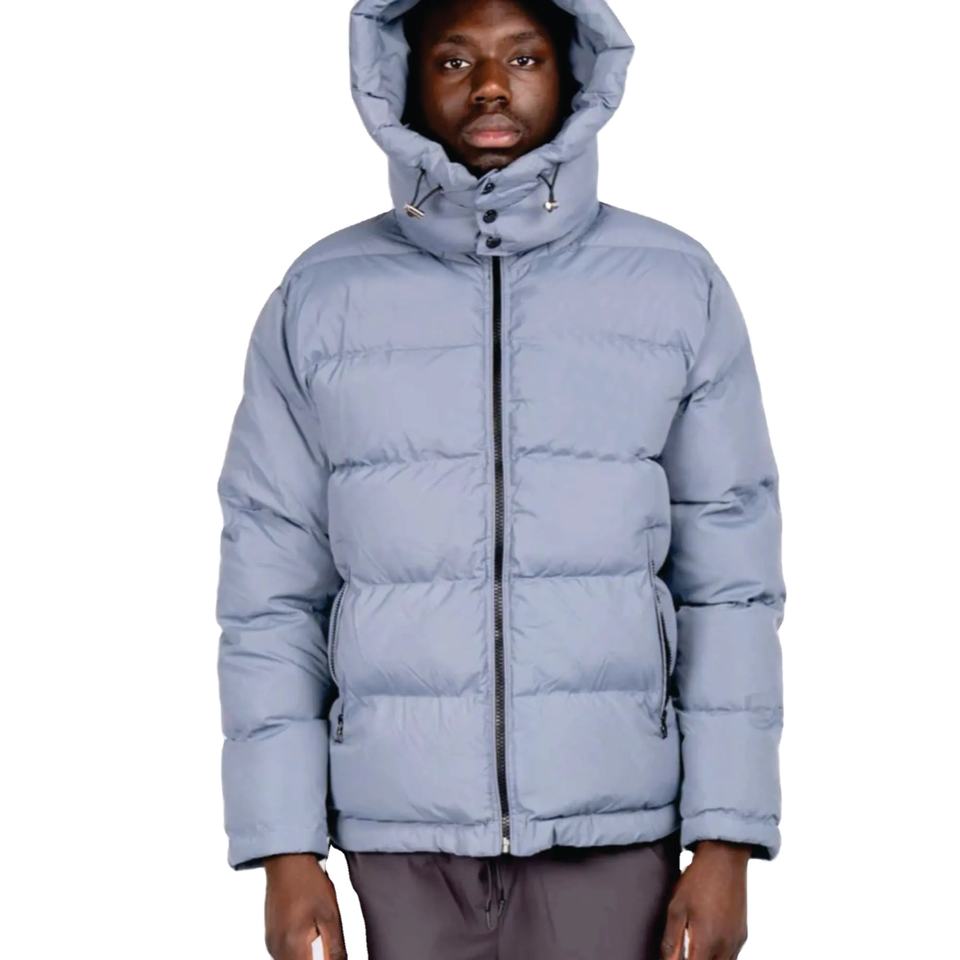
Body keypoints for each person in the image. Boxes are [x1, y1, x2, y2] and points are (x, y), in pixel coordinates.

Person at [214, 0, 787, 957]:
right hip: (397, 835)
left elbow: (731, 586)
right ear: (402, 80)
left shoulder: (674, 287)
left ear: (572, 72)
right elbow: (269, 591)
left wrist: (726, 839)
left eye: (523, 57)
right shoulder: (321, 298)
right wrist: (284, 849)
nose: (489, 86)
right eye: (454, 60)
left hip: (614, 828)